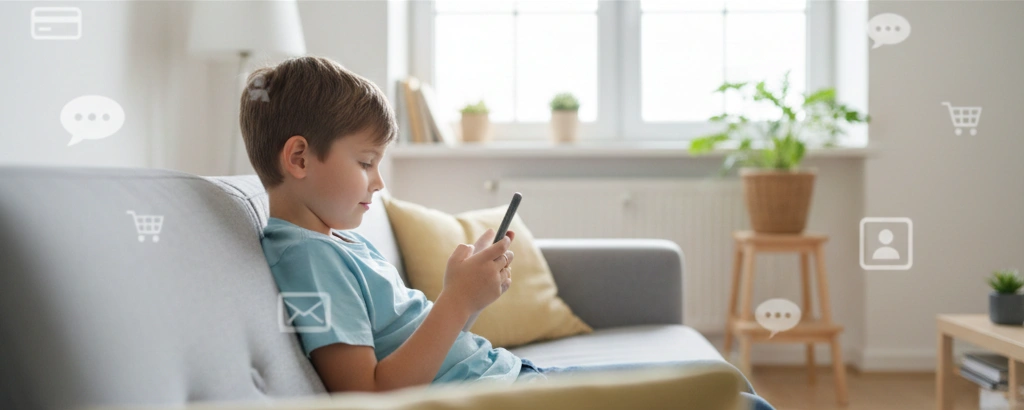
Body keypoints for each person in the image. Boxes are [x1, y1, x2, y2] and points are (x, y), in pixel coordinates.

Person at [240, 56, 773, 409]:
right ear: (299, 158)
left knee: (731, 384)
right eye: (365, 162)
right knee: (733, 400)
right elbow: (367, 397)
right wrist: (455, 302)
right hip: (501, 395)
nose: (378, 182)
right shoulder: (308, 260)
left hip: (513, 378)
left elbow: (416, 343)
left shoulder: (336, 241)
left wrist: (466, 298)